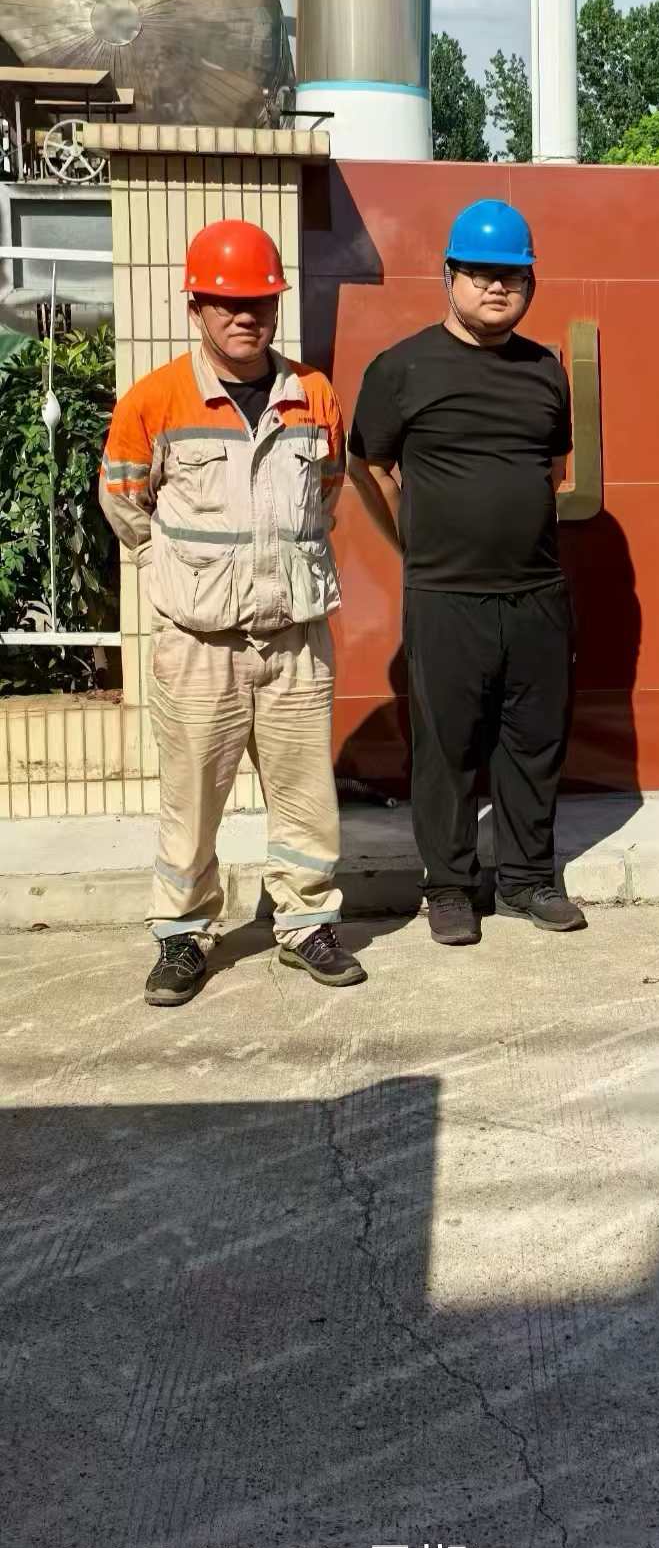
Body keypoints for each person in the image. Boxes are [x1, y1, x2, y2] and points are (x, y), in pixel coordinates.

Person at [99, 219, 366, 1006]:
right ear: (196, 307)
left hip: (295, 638)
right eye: (227, 302)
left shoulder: (314, 395)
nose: (246, 316)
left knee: (306, 797)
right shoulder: (155, 399)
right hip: (198, 644)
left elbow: (327, 490)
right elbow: (124, 499)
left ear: (278, 304)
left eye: (260, 301)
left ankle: (306, 923)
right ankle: (182, 934)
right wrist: (173, 570)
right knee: (191, 800)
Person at [348, 198, 585, 948]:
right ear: (448, 276)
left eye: (512, 274)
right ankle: (448, 887)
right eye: (480, 272)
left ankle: (527, 879)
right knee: (446, 748)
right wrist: (416, 545)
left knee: (533, 743)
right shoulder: (402, 368)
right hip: (446, 597)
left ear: (531, 284)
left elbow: (551, 471)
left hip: (536, 594)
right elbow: (370, 468)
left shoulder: (545, 372)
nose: (496, 286)